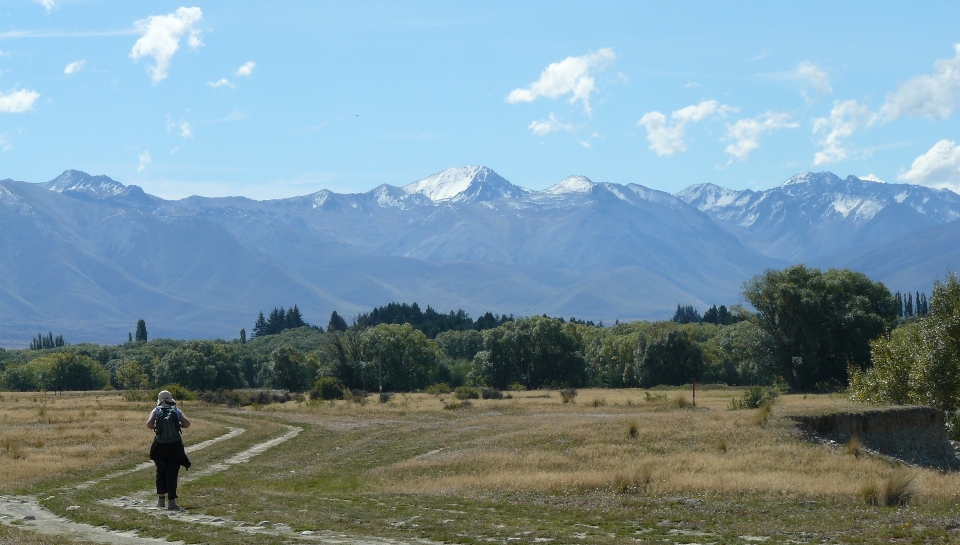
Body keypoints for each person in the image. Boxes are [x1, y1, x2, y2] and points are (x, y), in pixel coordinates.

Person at [146, 390, 191, 510]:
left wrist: (158, 426)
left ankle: (161, 501)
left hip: (159, 446)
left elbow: (149, 424)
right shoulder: (176, 410)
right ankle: (172, 502)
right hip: (175, 446)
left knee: (160, 471)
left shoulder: (156, 410)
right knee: (172, 473)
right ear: (170, 399)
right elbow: (187, 424)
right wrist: (177, 424)